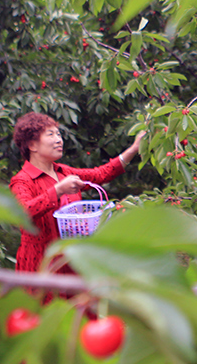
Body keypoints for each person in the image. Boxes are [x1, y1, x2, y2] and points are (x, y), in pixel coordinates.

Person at [9, 112, 145, 273]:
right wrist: (58, 190)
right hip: (41, 266)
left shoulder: (64, 172)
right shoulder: (22, 181)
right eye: (50, 135)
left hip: (73, 261)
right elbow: (22, 212)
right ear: (32, 145)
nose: (59, 140)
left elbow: (100, 174)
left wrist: (134, 148)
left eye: (58, 134)